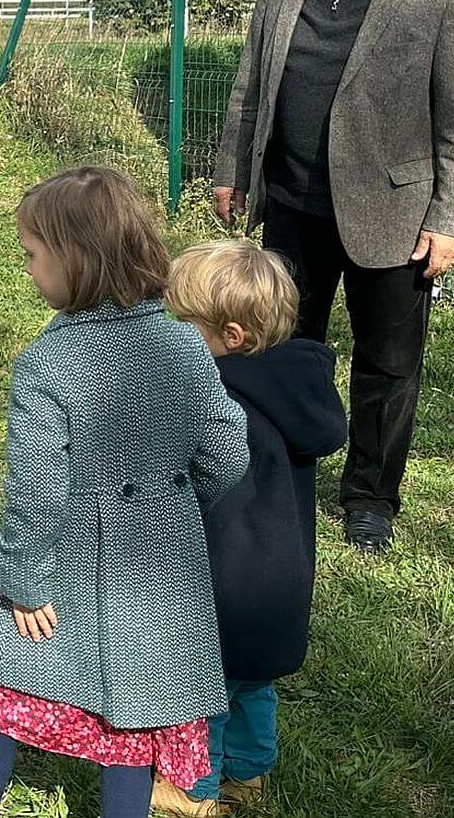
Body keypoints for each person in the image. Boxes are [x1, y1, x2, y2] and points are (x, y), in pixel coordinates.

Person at [0, 166, 249, 818]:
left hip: (61, 563)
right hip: (158, 568)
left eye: (32, 255)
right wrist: (172, 501)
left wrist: (23, 579)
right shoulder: (185, 346)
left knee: (4, 681)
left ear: (74, 260)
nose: (27, 269)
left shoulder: (47, 364)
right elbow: (227, 453)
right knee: (136, 716)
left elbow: (36, 491)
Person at [213, 0, 454, 553]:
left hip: (395, 219)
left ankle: (370, 500)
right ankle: (274, 469)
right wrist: (232, 170)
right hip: (292, 205)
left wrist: (450, 221)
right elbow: (251, 84)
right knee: (276, 348)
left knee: (387, 366)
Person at [155, 241, 347, 816]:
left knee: (204, 694)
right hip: (281, 580)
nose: (171, 334)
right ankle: (251, 772)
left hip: (224, 581)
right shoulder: (298, 393)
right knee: (254, 686)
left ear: (230, 337)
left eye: (182, 324)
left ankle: (195, 790)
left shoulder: (219, 401)